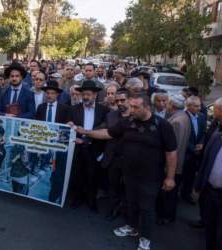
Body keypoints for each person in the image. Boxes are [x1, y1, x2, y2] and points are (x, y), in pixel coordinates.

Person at [74, 94, 177, 250]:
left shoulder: (162, 125)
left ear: (147, 107)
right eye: (132, 106)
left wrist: (170, 177)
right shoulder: (128, 122)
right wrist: (85, 132)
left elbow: (171, 153)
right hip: (129, 173)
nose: (132, 110)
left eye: (136, 107)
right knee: (131, 202)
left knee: (147, 208)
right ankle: (131, 227)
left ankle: (145, 238)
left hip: (150, 177)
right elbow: (107, 133)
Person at [68, 80, 110, 212]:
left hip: (94, 147)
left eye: (88, 94)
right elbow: (70, 126)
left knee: (92, 176)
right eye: (84, 94)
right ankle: (77, 199)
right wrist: (72, 127)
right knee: (77, 174)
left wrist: (88, 138)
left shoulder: (104, 110)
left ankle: (91, 201)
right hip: (77, 147)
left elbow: (105, 128)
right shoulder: (73, 109)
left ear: (95, 95)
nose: (85, 97)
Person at [156, 94, 191, 225]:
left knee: (168, 194)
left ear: (173, 105)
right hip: (178, 163)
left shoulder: (176, 121)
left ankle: (166, 216)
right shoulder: (184, 116)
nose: (166, 105)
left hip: (172, 165)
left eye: (168, 103)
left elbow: (171, 147)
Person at [102, 88, 131, 221]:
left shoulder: (137, 116)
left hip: (130, 160)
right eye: (118, 100)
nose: (119, 103)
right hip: (113, 158)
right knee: (113, 186)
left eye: (123, 100)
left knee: (128, 188)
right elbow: (102, 130)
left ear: (130, 100)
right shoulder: (111, 116)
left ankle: (127, 211)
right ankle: (113, 208)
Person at [194, 122, 222, 250]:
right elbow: (205, 162)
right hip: (210, 191)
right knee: (210, 229)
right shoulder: (217, 137)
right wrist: (198, 185)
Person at [181, 96, 207, 205]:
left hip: (195, 154)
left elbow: (203, 133)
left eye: (199, 105)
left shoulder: (201, 116)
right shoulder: (183, 117)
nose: (199, 108)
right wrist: (193, 149)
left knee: (190, 177)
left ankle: (186, 195)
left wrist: (201, 143)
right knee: (180, 177)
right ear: (188, 106)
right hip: (184, 154)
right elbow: (182, 137)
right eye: (196, 106)